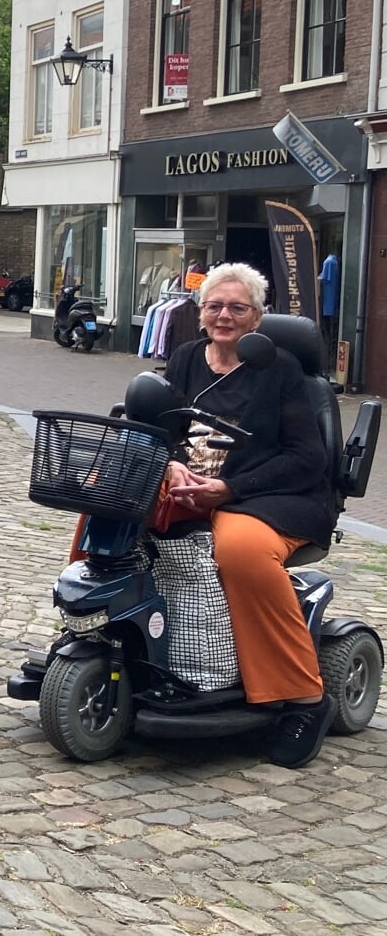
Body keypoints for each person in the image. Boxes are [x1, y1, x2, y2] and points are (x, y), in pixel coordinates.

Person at [161, 262, 337, 768]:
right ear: (200, 313)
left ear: (257, 319)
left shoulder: (279, 369)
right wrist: (173, 466)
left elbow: (307, 458)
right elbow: (164, 429)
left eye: (238, 308)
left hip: (266, 494)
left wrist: (227, 488)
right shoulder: (186, 359)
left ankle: (304, 697)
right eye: (215, 305)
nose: (224, 316)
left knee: (238, 550)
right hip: (191, 485)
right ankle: (98, 634)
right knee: (110, 508)